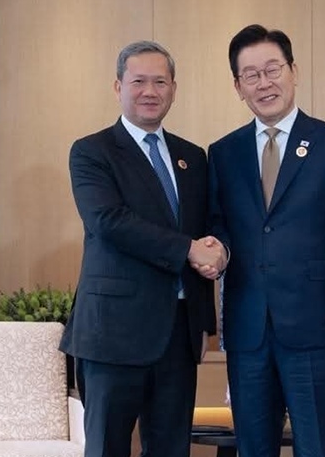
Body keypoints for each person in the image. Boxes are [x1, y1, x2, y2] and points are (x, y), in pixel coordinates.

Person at [204, 24, 325, 457]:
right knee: (253, 446)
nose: (264, 83)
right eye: (251, 75)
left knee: (318, 444)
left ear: (293, 71)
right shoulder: (223, 153)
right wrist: (216, 251)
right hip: (248, 327)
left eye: (272, 69)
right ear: (238, 87)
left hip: (316, 322)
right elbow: (219, 225)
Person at [59, 40, 226, 457]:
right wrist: (189, 250)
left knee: (171, 448)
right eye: (138, 82)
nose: (150, 91)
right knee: (108, 448)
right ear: (118, 87)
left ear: (174, 89)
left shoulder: (193, 157)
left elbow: (206, 228)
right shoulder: (92, 151)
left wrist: (218, 255)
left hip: (178, 334)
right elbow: (109, 221)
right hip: (112, 333)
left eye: (160, 82)